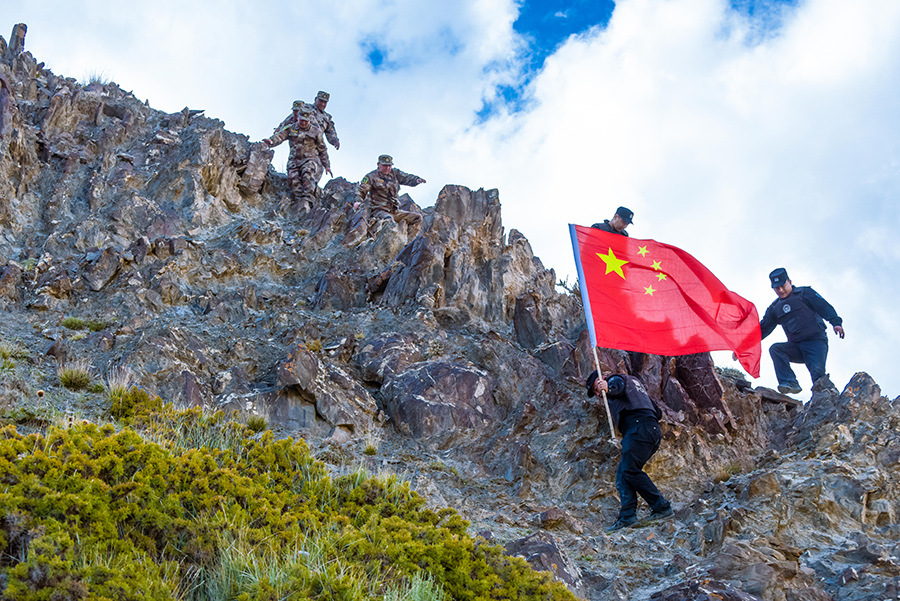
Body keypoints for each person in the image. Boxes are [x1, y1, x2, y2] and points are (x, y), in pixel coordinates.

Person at [585, 370, 673, 532]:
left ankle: (661, 507)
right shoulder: (636, 385)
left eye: (596, 388)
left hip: (638, 428)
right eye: (596, 392)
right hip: (650, 430)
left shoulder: (615, 380)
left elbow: (616, 387)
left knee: (629, 470)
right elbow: (658, 412)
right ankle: (627, 516)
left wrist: (608, 388)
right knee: (624, 472)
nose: (597, 393)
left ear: (602, 379)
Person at [759, 268, 844, 395]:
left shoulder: (804, 293)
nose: (781, 290)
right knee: (776, 349)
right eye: (777, 288)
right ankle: (790, 382)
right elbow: (762, 329)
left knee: (817, 373)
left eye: (783, 286)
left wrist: (836, 323)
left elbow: (824, 306)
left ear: (790, 282)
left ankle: (829, 398)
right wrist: (743, 347)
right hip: (796, 346)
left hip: (815, 343)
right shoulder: (774, 308)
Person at [263, 105, 332, 212]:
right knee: (293, 180)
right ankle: (299, 204)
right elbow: (280, 136)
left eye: (306, 121)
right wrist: (271, 142)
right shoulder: (292, 128)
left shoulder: (316, 131)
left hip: (309, 159)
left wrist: (327, 166)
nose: (303, 123)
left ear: (309, 120)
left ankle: (309, 202)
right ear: (298, 118)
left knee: (307, 175)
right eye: (301, 120)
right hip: (294, 161)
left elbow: (322, 149)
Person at [355, 155, 425, 232]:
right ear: (378, 164)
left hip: (394, 211)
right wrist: (358, 201)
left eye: (389, 166)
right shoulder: (370, 177)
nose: (388, 168)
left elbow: (406, 177)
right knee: (389, 222)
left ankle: (407, 241)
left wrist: (416, 180)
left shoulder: (395, 173)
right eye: (385, 166)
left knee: (417, 218)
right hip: (379, 210)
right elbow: (361, 190)